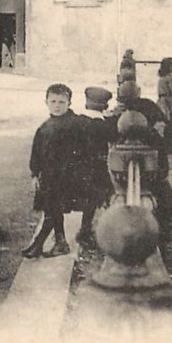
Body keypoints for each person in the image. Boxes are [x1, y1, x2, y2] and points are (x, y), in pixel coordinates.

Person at [22, 84, 89, 259]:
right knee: (52, 209)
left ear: (69, 102)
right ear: (46, 102)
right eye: (53, 101)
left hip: (68, 175)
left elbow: (85, 148)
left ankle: (41, 243)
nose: (57, 106)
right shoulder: (44, 127)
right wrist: (35, 173)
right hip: (50, 176)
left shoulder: (75, 124)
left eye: (61, 102)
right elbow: (36, 152)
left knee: (53, 209)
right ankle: (58, 242)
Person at [113, 81, 172, 236]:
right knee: (161, 185)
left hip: (129, 150)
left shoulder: (119, 111)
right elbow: (162, 123)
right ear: (138, 92)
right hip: (151, 147)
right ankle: (168, 225)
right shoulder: (148, 105)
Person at [76, 86, 116, 249]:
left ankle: (87, 230)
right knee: (106, 196)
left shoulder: (78, 121)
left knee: (89, 200)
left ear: (86, 103)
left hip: (79, 165)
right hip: (98, 167)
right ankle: (91, 232)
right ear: (105, 106)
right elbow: (114, 136)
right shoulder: (103, 124)